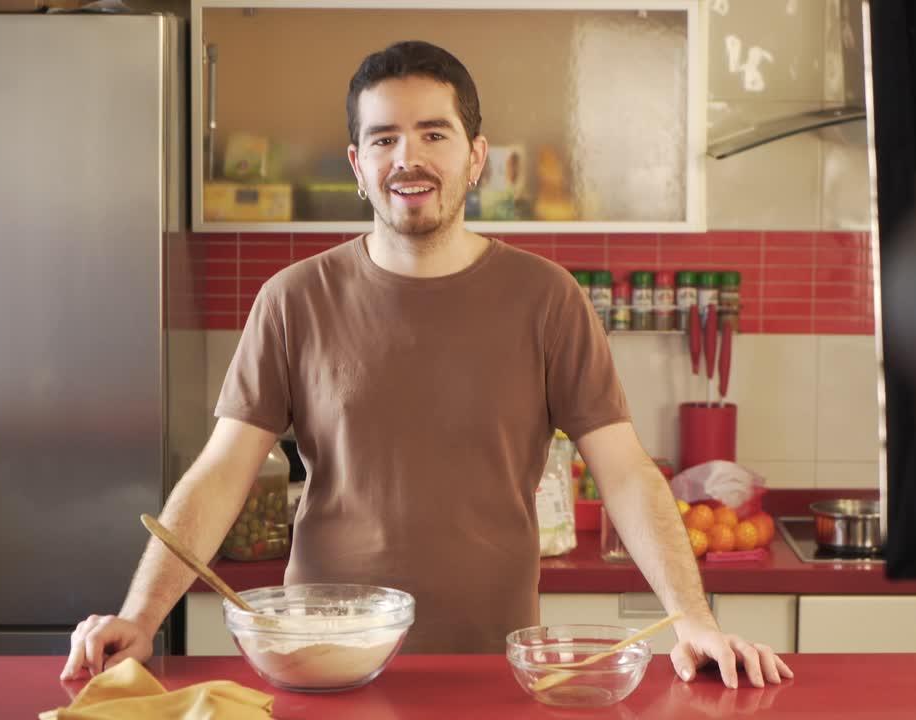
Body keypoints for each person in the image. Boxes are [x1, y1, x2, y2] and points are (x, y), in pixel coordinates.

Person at [61, 40, 793, 689]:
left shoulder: (548, 299)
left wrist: (692, 619)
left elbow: (626, 471)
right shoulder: (293, 299)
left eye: (432, 133)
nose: (406, 158)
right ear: (357, 165)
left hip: (492, 666)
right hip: (326, 663)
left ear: (475, 155)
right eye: (382, 139)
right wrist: (141, 614)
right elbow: (223, 473)